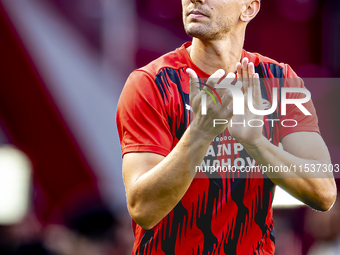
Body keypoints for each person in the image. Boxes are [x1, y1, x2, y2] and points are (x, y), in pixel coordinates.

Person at [116, 0, 337, 254]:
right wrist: (199, 134)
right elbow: (143, 209)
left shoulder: (280, 81)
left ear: (249, 9)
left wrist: (256, 144)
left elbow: (323, 193)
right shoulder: (151, 84)